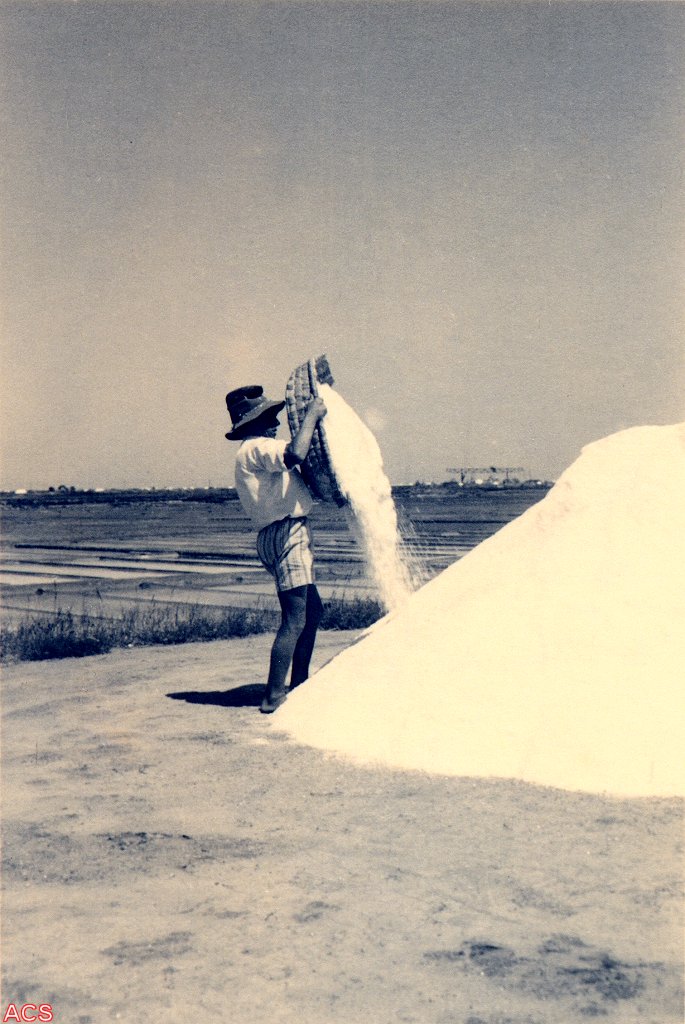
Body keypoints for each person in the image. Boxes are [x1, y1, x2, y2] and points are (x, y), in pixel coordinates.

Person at [225, 385, 327, 713]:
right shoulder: (259, 446)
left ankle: (299, 682)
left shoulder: (248, 452)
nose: (276, 424)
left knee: (312, 611)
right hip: (287, 534)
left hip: (272, 535)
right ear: (252, 423)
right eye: (269, 418)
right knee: (296, 618)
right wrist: (312, 415)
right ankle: (273, 695)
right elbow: (295, 454)